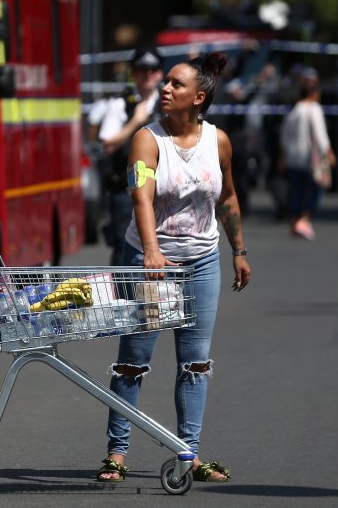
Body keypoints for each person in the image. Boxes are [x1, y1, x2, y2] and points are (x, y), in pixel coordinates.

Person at [95, 52, 251, 484]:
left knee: (195, 363)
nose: (165, 89)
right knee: (134, 360)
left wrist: (238, 249)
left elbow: (229, 198)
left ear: (198, 97)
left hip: (202, 262)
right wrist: (150, 249)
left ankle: (189, 454)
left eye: (176, 85)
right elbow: (139, 196)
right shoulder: (147, 139)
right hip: (151, 262)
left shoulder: (218, 141)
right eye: (165, 82)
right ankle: (117, 454)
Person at [86, 46, 165, 264]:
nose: (148, 74)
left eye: (153, 69)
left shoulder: (168, 101)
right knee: (126, 249)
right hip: (126, 189)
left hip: (163, 189)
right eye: (142, 69)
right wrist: (135, 122)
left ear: (160, 73)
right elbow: (107, 145)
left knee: (161, 248)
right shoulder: (120, 102)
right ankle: (124, 297)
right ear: (134, 72)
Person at [279, 69, 336, 240]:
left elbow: (285, 137)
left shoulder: (293, 111)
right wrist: (329, 152)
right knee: (317, 189)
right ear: (314, 94)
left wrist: (283, 156)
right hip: (310, 159)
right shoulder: (314, 108)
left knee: (297, 191)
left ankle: (295, 221)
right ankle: (304, 220)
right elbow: (320, 134)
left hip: (294, 158)